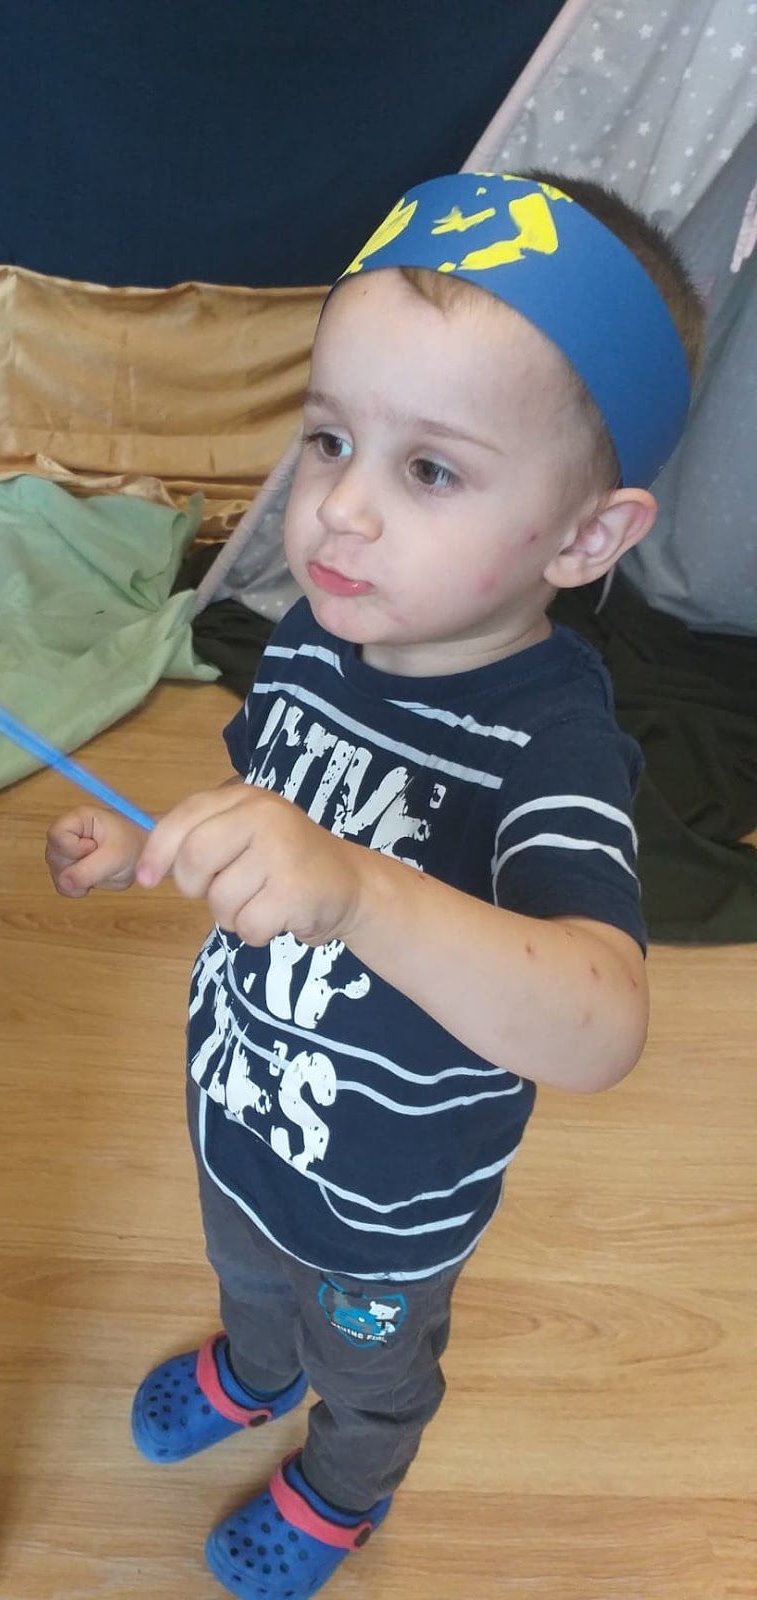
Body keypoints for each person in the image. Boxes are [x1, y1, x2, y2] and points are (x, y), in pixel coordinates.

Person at [46, 171, 704, 1600]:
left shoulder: (551, 742)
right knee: (245, 1270)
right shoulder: (307, 642)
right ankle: (253, 1365)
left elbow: (602, 1021)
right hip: (242, 1113)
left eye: (431, 471)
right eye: (331, 437)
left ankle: (344, 1483)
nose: (337, 508)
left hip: (387, 1213)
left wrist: (353, 890)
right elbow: (271, 810)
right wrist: (153, 839)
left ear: (586, 537)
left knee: (372, 1369)